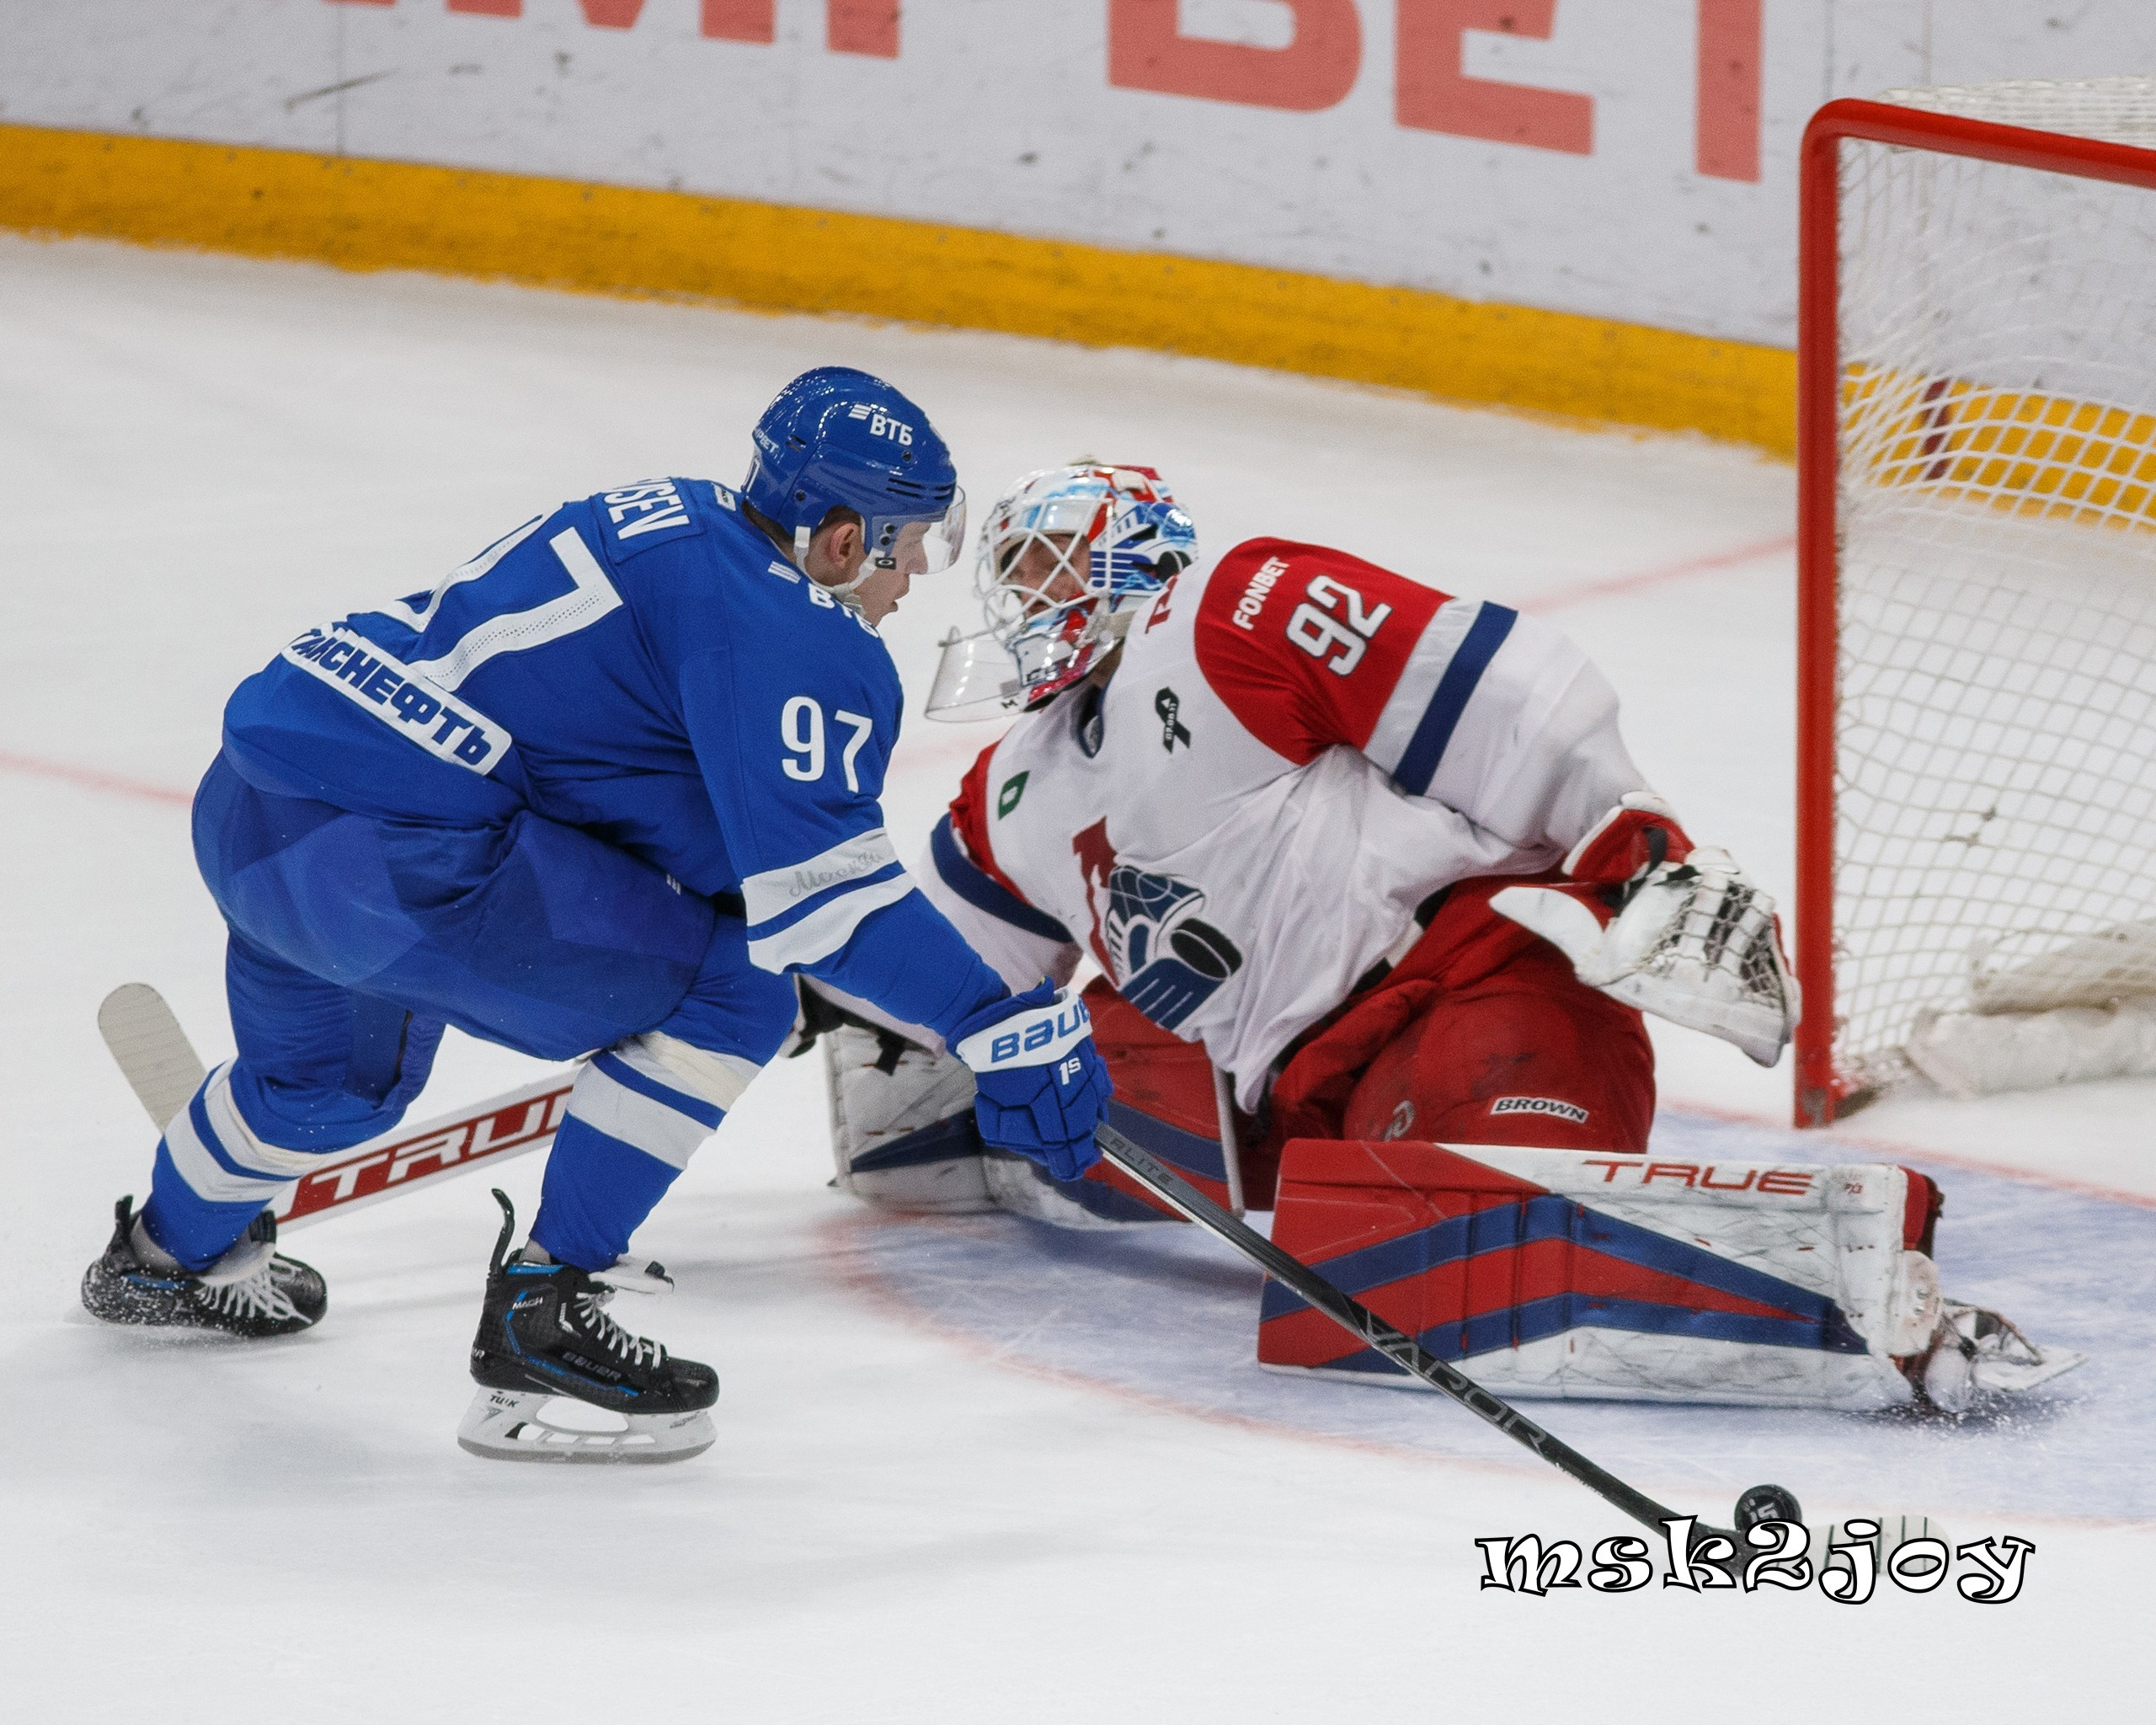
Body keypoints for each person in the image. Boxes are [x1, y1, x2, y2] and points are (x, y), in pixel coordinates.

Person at [804, 463, 2078, 1413]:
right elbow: (942, 961)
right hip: (1283, 1097)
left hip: (1462, 992)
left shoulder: (1232, 609)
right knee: (1123, 1088)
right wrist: (793, 983)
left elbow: (1511, 699)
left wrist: (1641, 855)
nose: (1031, 601)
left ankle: (1861, 1295)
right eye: (1015, 579)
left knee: (1441, 1232)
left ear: (1137, 561)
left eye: (1055, 569)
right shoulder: (1013, 785)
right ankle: (992, 1144)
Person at [79, 371, 1110, 1464]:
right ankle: (543, 1314)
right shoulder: (807, 639)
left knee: (325, 1090)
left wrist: (753, 911)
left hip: (255, 801)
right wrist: (992, 1023)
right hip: (387, 865)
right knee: (734, 990)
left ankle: (163, 1255)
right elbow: (829, 909)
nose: (909, 582)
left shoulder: (668, 511)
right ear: (844, 538)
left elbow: (613, 779)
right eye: (906, 548)